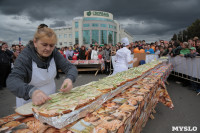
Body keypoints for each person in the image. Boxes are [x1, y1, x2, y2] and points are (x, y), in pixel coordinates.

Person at [6, 24, 78, 107]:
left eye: (51, 45)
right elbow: (12, 80)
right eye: (44, 45)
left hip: (51, 98)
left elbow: (70, 67)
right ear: (35, 42)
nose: (48, 49)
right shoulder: (25, 57)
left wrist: (69, 79)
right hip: (30, 101)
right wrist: (32, 91)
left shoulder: (54, 53)